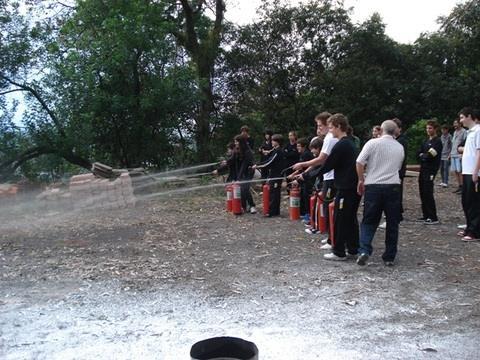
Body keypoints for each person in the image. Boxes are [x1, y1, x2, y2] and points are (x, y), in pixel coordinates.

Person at [299, 114, 360, 261]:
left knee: (340, 218)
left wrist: (306, 176)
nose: (330, 131)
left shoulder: (341, 145)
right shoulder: (349, 143)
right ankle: (353, 248)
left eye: (332, 127)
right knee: (350, 218)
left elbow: (327, 165)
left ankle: (339, 251)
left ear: (339, 126)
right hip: (351, 187)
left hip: (345, 188)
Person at [356, 120, 405, 267]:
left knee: (369, 220)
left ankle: (364, 249)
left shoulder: (372, 143)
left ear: (381, 130)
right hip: (393, 186)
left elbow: (359, 162)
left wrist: (360, 179)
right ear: (395, 131)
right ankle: (389, 256)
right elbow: (399, 166)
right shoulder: (399, 146)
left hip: (374, 185)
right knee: (392, 222)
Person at [293, 113, 337, 246]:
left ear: (327, 125)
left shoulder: (330, 138)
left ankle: (332, 239)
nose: (318, 129)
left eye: (319, 125)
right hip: (328, 176)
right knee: (326, 207)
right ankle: (331, 237)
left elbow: (321, 160)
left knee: (328, 207)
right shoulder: (328, 138)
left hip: (332, 178)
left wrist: (302, 166)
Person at [458, 107, 480, 242]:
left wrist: (475, 171)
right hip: (466, 171)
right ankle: (469, 227)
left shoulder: (478, 130)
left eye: (462, 117)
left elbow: (479, 152)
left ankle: (475, 231)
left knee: (474, 202)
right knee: (466, 201)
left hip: (474, 172)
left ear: (469, 116)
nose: (460, 120)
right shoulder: (470, 132)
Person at [252, 134, 285, 217]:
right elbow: (269, 160)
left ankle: (272, 212)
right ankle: (275, 211)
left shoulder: (278, 151)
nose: (272, 142)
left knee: (274, 193)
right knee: (274, 192)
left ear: (277, 142)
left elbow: (269, 162)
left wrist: (258, 165)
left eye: (273, 141)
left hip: (276, 175)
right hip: (274, 174)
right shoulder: (275, 150)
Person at [417, 120, 443, 224]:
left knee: (428, 192)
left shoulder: (437, 142)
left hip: (430, 170)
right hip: (423, 169)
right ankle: (426, 214)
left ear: (435, 129)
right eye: (427, 128)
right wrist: (422, 155)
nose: (428, 130)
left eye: (430, 128)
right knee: (422, 191)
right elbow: (418, 153)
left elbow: (430, 155)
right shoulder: (425, 141)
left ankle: (433, 216)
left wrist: (424, 155)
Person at [288, 137, 314, 221]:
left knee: (306, 196)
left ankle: (309, 215)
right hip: (303, 178)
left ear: (304, 146)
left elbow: (309, 167)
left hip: (308, 179)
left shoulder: (306, 154)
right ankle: (304, 213)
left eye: (299, 146)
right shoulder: (303, 154)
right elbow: (301, 168)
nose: (297, 148)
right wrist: (293, 174)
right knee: (303, 195)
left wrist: (301, 175)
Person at [234, 135, 256, 214]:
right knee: (242, 189)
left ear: (241, 142)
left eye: (237, 142)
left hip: (249, 172)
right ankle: (244, 206)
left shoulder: (247, 152)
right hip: (241, 173)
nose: (235, 143)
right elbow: (233, 162)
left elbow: (244, 166)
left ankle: (252, 205)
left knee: (245, 188)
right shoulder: (236, 151)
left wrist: (238, 179)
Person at [450, 118, 467, 194]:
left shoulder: (464, 132)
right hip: (453, 153)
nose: (455, 125)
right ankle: (459, 185)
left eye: (456, 123)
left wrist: (462, 154)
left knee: (460, 171)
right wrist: (450, 154)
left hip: (459, 154)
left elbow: (465, 143)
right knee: (455, 171)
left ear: (460, 123)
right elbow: (453, 144)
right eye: (454, 123)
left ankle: (464, 187)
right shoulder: (454, 132)